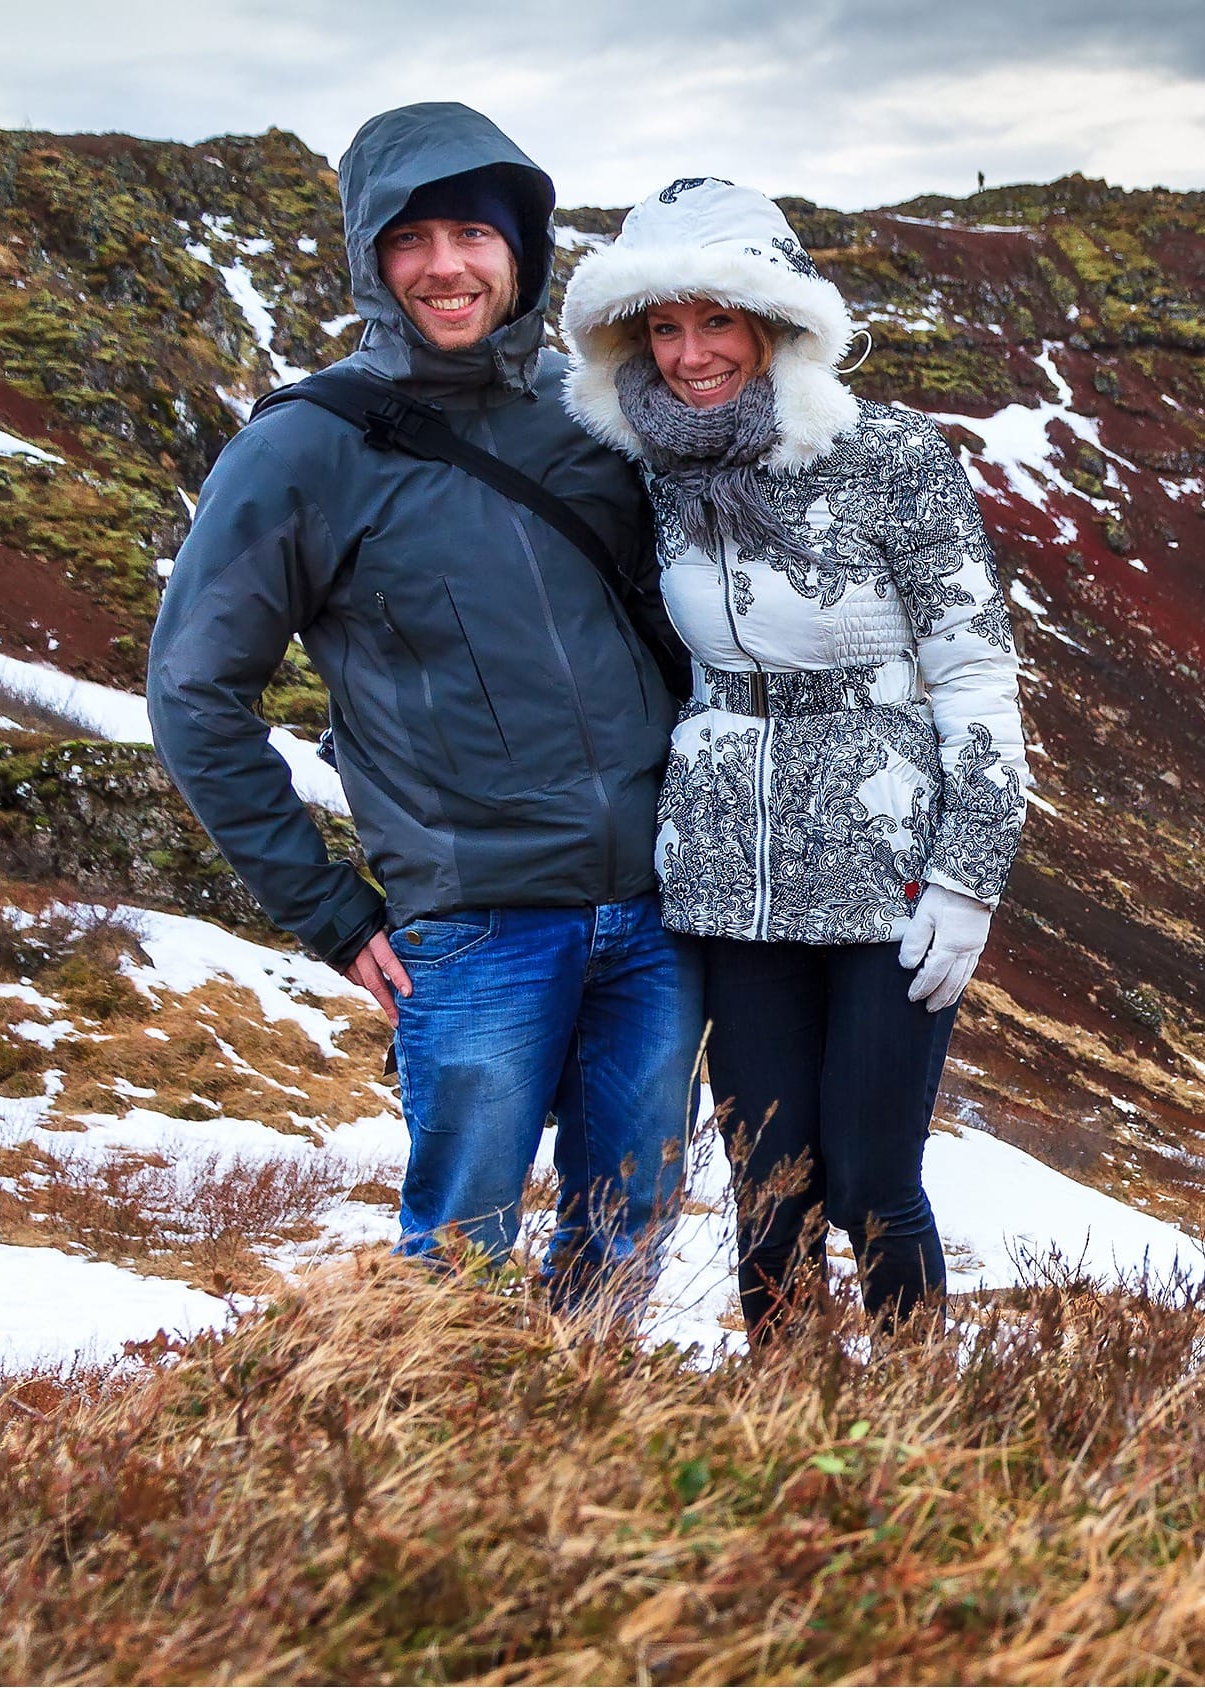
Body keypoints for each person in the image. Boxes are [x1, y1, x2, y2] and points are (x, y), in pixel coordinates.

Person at [146, 103, 695, 1316]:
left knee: (635, 1218)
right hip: (476, 923)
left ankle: (591, 1424)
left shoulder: (591, 411)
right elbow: (191, 691)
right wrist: (334, 914)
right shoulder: (304, 448)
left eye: (473, 234)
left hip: (659, 911)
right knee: (459, 1256)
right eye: (411, 239)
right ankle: (443, 1430)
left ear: (521, 249)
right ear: (369, 257)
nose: (446, 266)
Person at [560, 177, 1027, 1337]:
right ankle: (786, 1411)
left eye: (717, 320)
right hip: (728, 874)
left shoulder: (893, 454)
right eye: (663, 327)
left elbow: (976, 674)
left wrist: (970, 875)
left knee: (871, 1180)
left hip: (888, 864)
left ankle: (922, 1415)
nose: (691, 355)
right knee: (770, 1192)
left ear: (776, 320)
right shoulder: (649, 466)